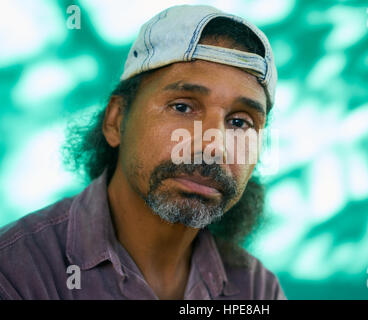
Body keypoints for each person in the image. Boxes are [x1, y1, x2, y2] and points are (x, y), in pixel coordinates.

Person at [0, 4, 285, 300]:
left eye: (240, 122)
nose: (213, 146)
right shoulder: (16, 275)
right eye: (182, 107)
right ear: (116, 121)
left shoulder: (256, 289)